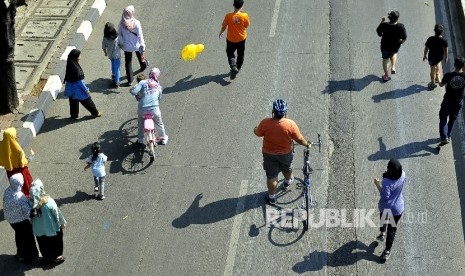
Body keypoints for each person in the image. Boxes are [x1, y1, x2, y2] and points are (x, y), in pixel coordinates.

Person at [254, 99, 310, 205]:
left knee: (271, 176)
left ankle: (272, 197)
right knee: (287, 167)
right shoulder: (290, 124)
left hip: (269, 154)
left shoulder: (265, 123)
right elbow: (299, 139)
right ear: (285, 112)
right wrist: (307, 144)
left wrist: (255, 129)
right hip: (285, 153)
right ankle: (287, 182)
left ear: (273, 111)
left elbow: (258, 133)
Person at [373, 159, 406, 261]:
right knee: (392, 229)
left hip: (387, 207)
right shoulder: (403, 174)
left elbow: (384, 196)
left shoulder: (386, 181)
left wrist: (377, 184)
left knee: (383, 216)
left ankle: (382, 233)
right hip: (398, 208)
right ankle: (387, 251)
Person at [3, 173, 39, 263]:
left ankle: (21, 254)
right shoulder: (20, 197)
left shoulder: (7, 191)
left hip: (12, 221)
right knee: (28, 238)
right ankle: (31, 256)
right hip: (22, 221)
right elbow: (27, 212)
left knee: (19, 236)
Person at [30, 179, 67, 264]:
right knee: (56, 242)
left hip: (39, 230)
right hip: (51, 228)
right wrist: (62, 223)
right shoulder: (48, 201)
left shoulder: (30, 203)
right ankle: (58, 256)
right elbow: (56, 213)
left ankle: (47, 258)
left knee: (43, 244)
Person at [130, 68, 168, 146]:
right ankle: (163, 138)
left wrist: (133, 91)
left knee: (141, 123)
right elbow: (159, 99)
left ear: (150, 74)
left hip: (142, 109)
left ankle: (140, 139)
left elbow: (134, 92)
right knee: (159, 123)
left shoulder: (143, 82)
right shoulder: (159, 87)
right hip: (154, 109)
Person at [64, 49, 102, 119]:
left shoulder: (69, 64)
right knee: (88, 102)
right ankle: (95, 113)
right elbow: (79, 82)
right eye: (79, 55)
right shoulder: (76, 68)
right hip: (78, 90)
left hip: (71, 90)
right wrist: (86, 90)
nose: (80, 57)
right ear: (76, 57)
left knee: (73, 103)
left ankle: (74, 116)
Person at [218, 0, 250, 80]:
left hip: (230, 40)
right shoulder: (244, 16)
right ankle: (237, 68)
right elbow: (246, 25)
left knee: (230, 53)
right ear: (242, 6)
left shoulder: (228, 16)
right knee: (241, 54)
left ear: (233, 5)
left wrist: (221, 32)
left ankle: (233, 66)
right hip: (241, 39)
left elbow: (224, 26)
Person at [118, 5, 149, 85]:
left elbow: (120, 36)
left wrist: (121, 44)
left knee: (128, 62)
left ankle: (130, 79)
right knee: (140, 56)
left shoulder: (121, 24)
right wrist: (143, 46)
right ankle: (143, 65)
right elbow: (140, 36)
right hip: (137, 45)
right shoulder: (136, 23)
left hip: (127, 47)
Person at [0, 127, 34, 198]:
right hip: (22, 172)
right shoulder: (18, 150)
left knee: (16, 187)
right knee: (26, 186)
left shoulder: (1, 147)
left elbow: (2, 162)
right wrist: (31, 157)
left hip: (10, 173)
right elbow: (23, 163)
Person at [438, 56, 465, 144]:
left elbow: (441, 85)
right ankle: (448, 136)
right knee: (452, 119)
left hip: (448, 100)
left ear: (454, 64)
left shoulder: (449, 75)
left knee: (443, 118)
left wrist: (438, 77)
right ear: (463, 65)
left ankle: (444, 137)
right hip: (458, 102)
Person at [376, 11, 407, 81]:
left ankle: (386, 75)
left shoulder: (384, 25)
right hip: (395, 46)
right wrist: (401, 42)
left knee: (385, 59)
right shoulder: (401, 26)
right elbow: (404, 37)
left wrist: (382, 21)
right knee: (394, 53)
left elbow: (378, 32)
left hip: (385, 46)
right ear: (397, 18)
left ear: (389, 18)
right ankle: (393, 67)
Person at [423, 24, 448, 89]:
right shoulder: (444, 41)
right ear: (442, 31)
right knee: (438, 63)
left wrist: (425, 55)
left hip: (431, 57)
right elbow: (445, 50)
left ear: (434, 31)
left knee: (432, 69)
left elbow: (426, 48)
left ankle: (432, 83)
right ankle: (437, 77)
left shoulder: (430, 39)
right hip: (439, 57)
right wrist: (446, 57)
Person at [102, 22, 123, 88]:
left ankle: (113, 75)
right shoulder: (117, 36)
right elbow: (121, 44)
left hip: (110, 54)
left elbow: (103, 46)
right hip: (117, 54)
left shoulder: (105, 37)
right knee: (117, 68)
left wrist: (105, 52)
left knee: (113, 64)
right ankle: (117, 82)